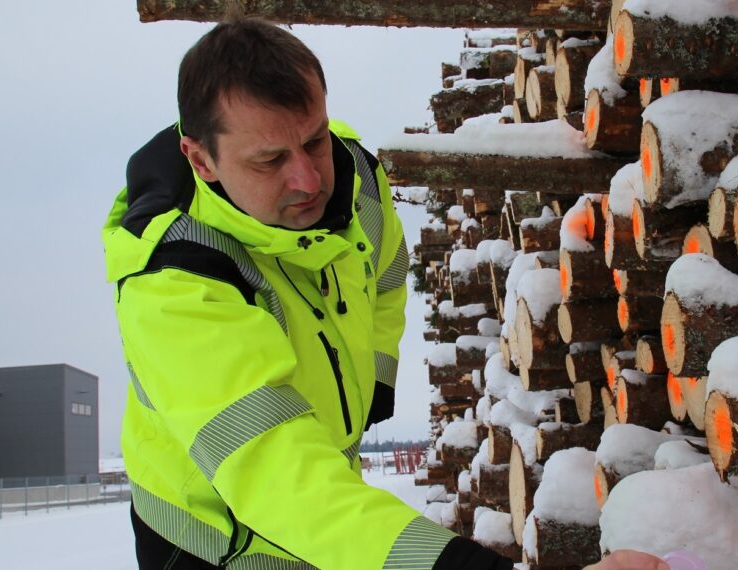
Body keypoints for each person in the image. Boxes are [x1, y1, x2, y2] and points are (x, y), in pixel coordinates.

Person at [105, 16, 665, 570]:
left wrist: (373, 378)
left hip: (327, 503)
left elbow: (388, 275)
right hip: (213, 539)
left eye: (314, 141)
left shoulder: (357, 182)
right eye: (270, 160)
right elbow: (275, 474)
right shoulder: (176, 283)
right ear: (201, 160)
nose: (308, 180)